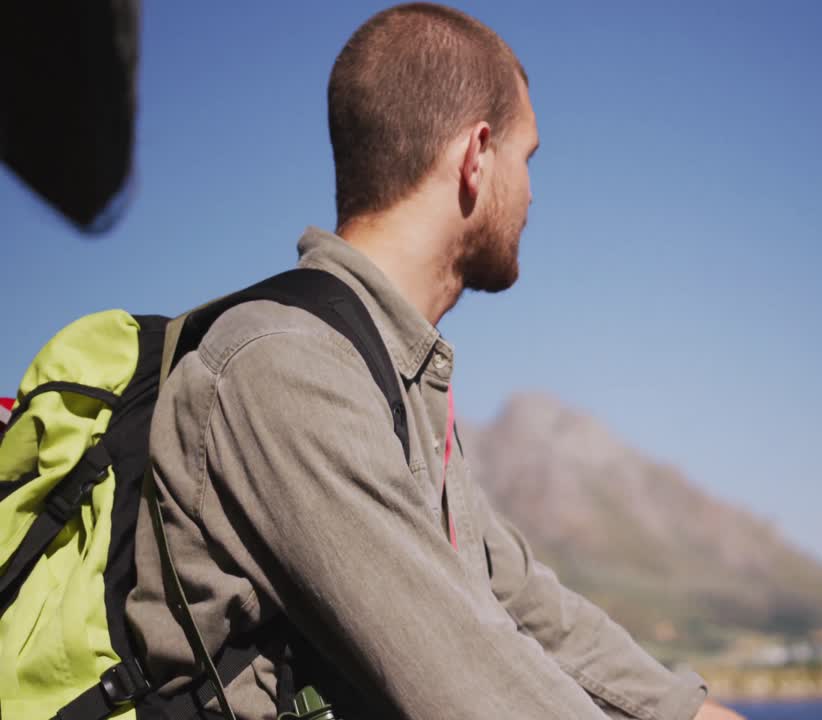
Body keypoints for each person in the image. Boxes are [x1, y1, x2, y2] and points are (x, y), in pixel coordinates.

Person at [126, 4, 746, 719]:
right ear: (477, 157)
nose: (535, 191)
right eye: (528, 157)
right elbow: (470, 682)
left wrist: (690, 711)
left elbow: (520, 599)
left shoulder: (396, 374)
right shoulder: (286, 369)